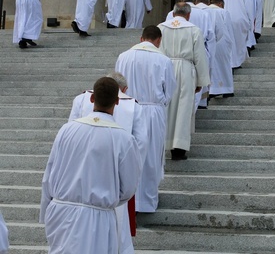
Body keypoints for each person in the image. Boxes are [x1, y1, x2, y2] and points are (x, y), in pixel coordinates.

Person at [40, 76, 141, 254]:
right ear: (117, 102)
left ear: (92, 98)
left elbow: (50, 172)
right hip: (97, 217)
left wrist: (47, 207)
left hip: (61, 211)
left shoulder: (67, 130)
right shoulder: (123, 139)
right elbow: (129, 187)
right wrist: (107, 199)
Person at [68, 73, 147, 254]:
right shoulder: (133, 107)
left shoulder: (80, 100)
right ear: (121, 94)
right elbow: (140, 144)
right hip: (110, 188)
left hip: (77, 185)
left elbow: (70, 139)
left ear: (93, 96)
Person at [115, 25, 177, 212]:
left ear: (141, 38)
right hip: (152, 111)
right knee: (151, 155)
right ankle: (147, 202)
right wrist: (158, 103)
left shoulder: (123, 57)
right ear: (158, 41)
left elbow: (117, 83)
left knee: (129, 154)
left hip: (127, 109)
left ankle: (127, 201)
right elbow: (170, 89)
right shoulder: (163, 59)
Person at [158, 2, 210, 160]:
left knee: (167, 106)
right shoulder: (193, 29)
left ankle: (162, 143)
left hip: (164, 68)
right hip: (186, 70)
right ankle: (178, 148)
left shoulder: (161, 28)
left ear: (173, 14)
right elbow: (200, 57)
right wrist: (201, 80)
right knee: (183, 107)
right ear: (188, 15)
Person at [208, 0, 235, 98]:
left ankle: (212, 90)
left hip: (209, 42)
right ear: (220, 4)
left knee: (212, 67)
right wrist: (230, 44)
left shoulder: (204, 11)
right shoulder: (223, 12)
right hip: (222, 42)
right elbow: (228, 29)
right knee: (224, 66)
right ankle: (227, 89)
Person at [222, 0, 252, 68]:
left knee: (230, 42)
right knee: (239, 42)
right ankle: (237, 62)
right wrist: (250, 23)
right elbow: (249, 11)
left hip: (226, 20)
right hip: (240, 21)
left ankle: (231, 62)